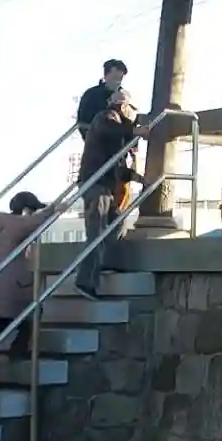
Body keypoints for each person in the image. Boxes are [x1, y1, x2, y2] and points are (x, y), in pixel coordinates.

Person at [75, 60, 137, 295]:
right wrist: (133, 131)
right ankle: (85, 281)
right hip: (96, 181)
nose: (118, 80)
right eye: (116, 75)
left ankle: (101, 263)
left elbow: (117, 162)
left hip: (105, 179)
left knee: (115, 222)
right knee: (96, 229)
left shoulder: (116, 126)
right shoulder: (105, 116)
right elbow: (103, 127)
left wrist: (134, 175)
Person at [0, 192, 45, 386]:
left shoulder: (4, 227)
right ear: (25, 209)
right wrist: (54, 210)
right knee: (27, 316)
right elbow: (33, 223)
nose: (33, 213)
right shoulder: (15, 224)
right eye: (32, 210)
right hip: (3, 298)